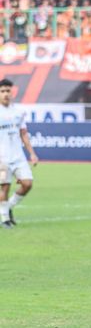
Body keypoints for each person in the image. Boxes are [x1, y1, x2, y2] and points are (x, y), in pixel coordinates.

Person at [0, 78, 38, 229]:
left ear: (12, 92)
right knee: (4, 187)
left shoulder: (19, 112)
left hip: (18, 157)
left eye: (8, 91)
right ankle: (4, 219)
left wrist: (32, 154)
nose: (5, 94)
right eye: (2, 91)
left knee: (27, 183)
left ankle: (8, 207)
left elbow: (23, 134)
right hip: (1, 158)